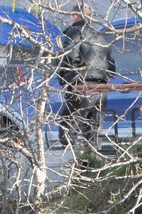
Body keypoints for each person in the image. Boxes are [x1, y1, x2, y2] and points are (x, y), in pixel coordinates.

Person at [58, 1, 116, 148]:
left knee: (67, 130)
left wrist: (65, 80)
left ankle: (71, 164)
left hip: (82, 87)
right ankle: (92, 163)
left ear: (76, 16)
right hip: (101, 88)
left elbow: (70, 58)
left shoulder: (74, 32)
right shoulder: (99, 35)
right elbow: (112, 66)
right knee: (92, 133)